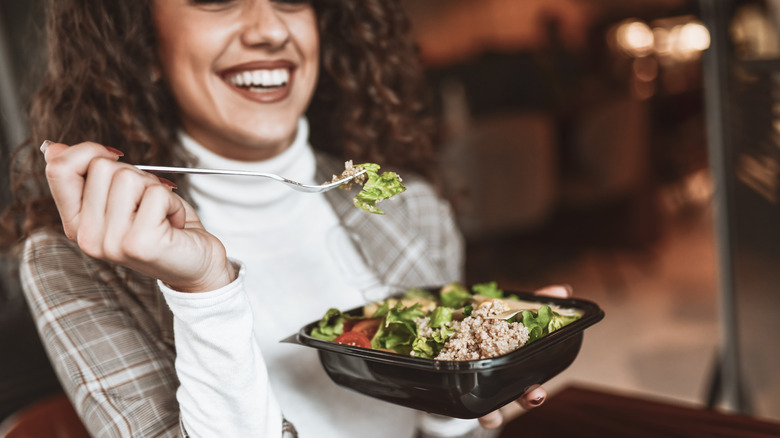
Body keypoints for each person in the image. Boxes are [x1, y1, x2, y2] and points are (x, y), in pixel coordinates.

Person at [1, 0, 571, 437]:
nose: (272, 29)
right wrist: (204, 289)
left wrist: (463, 398)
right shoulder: (71, 259)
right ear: (143, 41)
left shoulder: (410, 209)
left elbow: (432, 424)